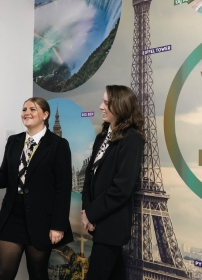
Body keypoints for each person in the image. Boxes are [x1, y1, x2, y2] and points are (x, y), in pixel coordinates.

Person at [0, 97, 73, 280]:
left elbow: (63, 189)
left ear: (45, 114)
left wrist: (58, 226)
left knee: (37, 274)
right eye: (24, 109)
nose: (27, 112)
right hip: (12, 217)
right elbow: (5, 177)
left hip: (41, 220)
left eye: (33, 109)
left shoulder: (58, 145)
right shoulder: (13, 141)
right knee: (3, 274)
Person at [81, 85, 145, 280]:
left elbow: (121, 188)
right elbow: (89, 177)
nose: (101, 106)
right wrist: (86, 211)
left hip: (112, 226)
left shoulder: (132, 139)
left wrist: (91, 213)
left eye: (106, 103)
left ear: (120, 106)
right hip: (99, 223)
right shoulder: (102, 137)